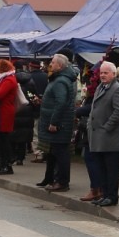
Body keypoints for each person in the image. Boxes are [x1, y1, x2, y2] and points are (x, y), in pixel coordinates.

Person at [87, 61, 119, 208]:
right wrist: (89, 125)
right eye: (101, 73)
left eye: (106, 73)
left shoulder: (118, 89)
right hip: (98, 136)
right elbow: (94, 108)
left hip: (109, 138)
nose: (102, 75)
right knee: (101, 168)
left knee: (111, 170)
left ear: (114, 74)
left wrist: (107, 127)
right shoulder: (100, 87)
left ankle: (111, 196)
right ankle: (104, 194)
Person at [38, 54, 77, 193]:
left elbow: (61, 103)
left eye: (53, 62)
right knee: (54, 152)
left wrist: (54, 122)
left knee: (61, 153)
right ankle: (52, 179)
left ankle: (62, 182)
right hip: (59, 122)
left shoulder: (61, 81)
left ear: (60, 66)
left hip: (60, 124)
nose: (51, 65)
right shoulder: (58, 79)